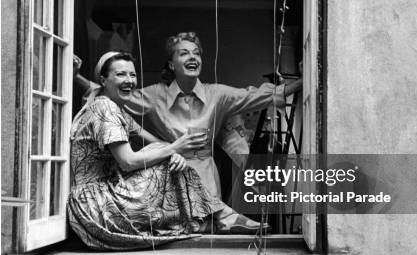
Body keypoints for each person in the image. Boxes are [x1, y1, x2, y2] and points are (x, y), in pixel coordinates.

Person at [68, 52, 268, 250]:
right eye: (121, 75)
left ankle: (216, 218)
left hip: (103, 199)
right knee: (163, 154)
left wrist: (173, 151)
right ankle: (220, 218)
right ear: (103, 80)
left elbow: (153, 140)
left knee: (162, 150)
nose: (129, 80)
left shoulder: (114, 108)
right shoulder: (105, 108)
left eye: (132, 75)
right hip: (98, 207)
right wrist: (175, 148)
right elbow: (127, 161)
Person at [73, 32, 302, 200]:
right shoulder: (154, 95)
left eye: (196, 53)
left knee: (207, 232)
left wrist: (306, 78)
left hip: (206, 176)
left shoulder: (218, 94)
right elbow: (112, 91)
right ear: (172, 64)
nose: (192, 57)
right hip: (170, 173)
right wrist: (76, 77)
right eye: (184, 53)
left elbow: (259, 96)